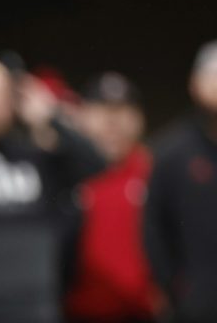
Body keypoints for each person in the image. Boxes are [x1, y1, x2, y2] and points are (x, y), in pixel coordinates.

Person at [0, 57, 105, 323]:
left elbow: (95, 166)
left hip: (33, 309)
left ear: (13, 100)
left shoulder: (36, 159)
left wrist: (50, 117)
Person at [65, 72, 161, 323]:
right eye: (101, 110)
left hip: (143, 314)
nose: (112, 122)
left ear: (141, 119)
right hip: (75, 311)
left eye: (123, 111)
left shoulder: (156, 171)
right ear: (80, 116)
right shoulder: (63, 172)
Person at [144, 41, 217, 323]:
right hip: (193, 306)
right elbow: (153, 228)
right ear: (195, 83)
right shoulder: (170, 152)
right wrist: (172, 288)